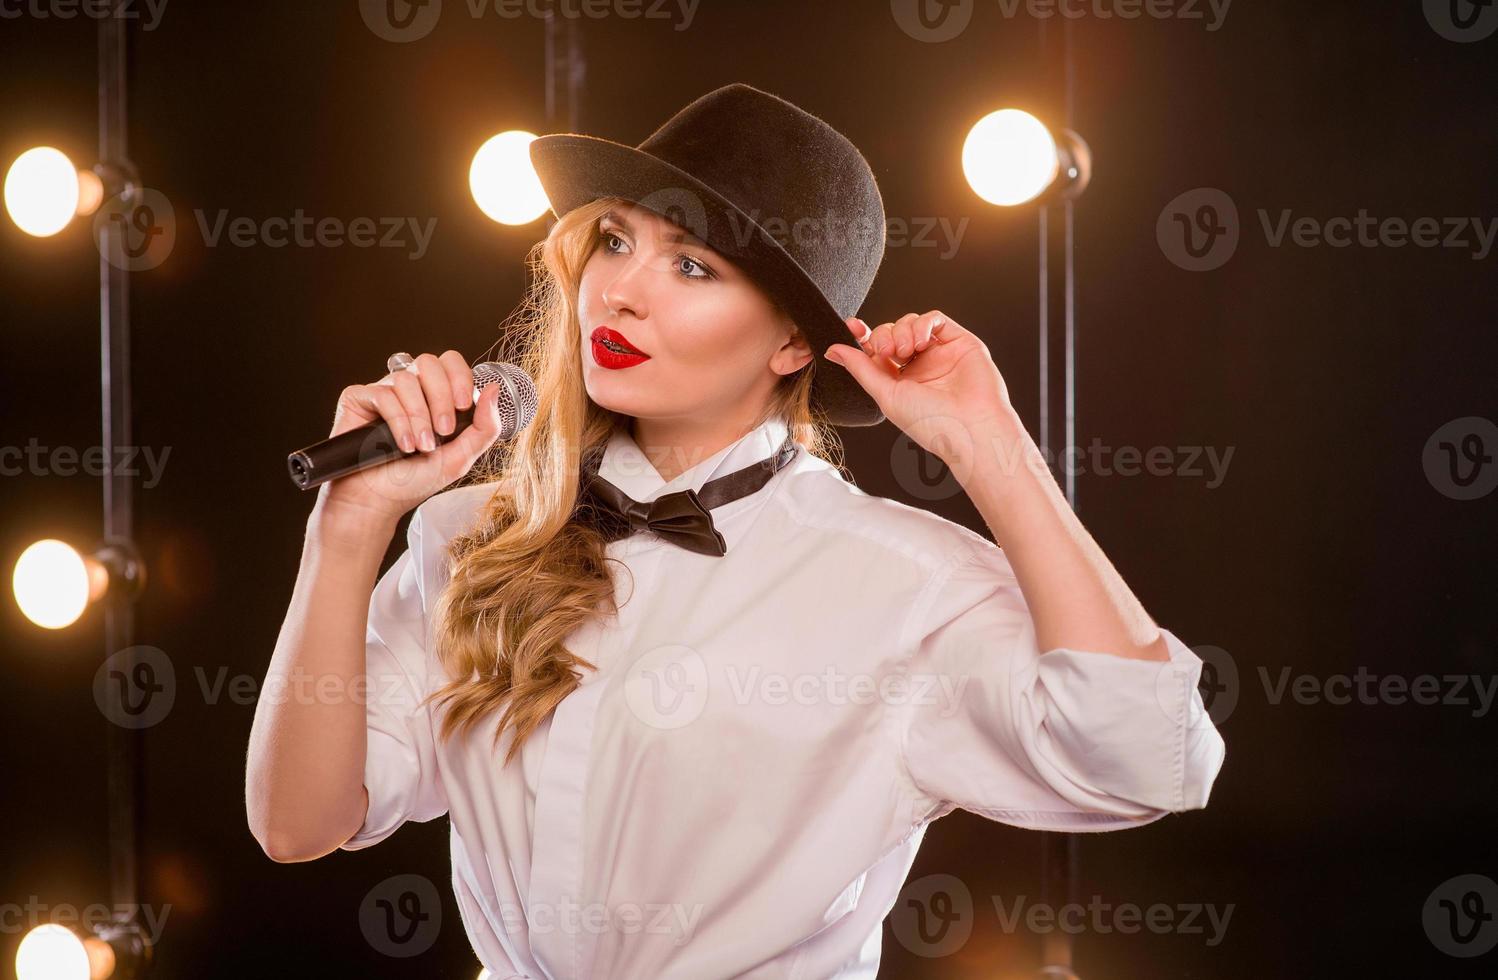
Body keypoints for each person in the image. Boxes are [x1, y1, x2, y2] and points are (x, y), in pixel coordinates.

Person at [245, 83, 1226, 978]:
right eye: (616, 241)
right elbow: (297, 823)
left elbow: (1149, 755)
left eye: (690, 263)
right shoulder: (465, 534)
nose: (623, 290)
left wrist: (990, 447)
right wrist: (352, 525)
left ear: (794, 340)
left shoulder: (901, 581)